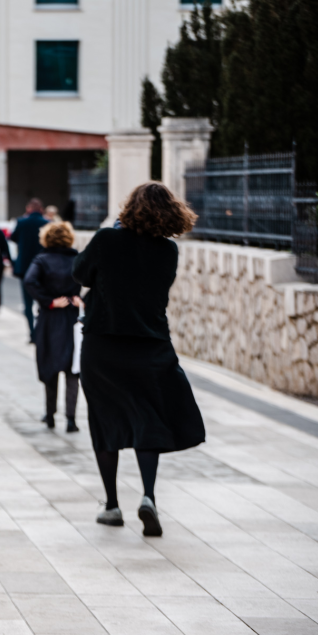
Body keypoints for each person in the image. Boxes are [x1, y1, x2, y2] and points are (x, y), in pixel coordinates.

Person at [73, 181, 206, 537]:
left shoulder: (106, 240)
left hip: (103, 346)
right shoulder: (168, 251)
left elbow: (80, 274)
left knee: (105, 422)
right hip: (151, 346)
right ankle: (148, 496)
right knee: (148, 420)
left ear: (130, 207)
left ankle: (112, 505)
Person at [23, 222, 82, 433]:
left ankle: (49, 415)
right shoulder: (78, 259)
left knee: (50, 365)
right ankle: (71, 420)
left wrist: (48, 301)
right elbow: (96, 280)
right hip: (72, 318)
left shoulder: (42, 259)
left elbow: (29, 281)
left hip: (49, 318)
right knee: (72, 369)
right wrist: (81, 300)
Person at [11, 198, 49, 341]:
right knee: (42, 300)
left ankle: (32, 333)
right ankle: (40, 330)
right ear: (41, 209)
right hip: (43, 267)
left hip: (25, 266)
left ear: (28, 209)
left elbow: (13, 238)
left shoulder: (21, 222)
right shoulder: (46, 223)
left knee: (27, 302)